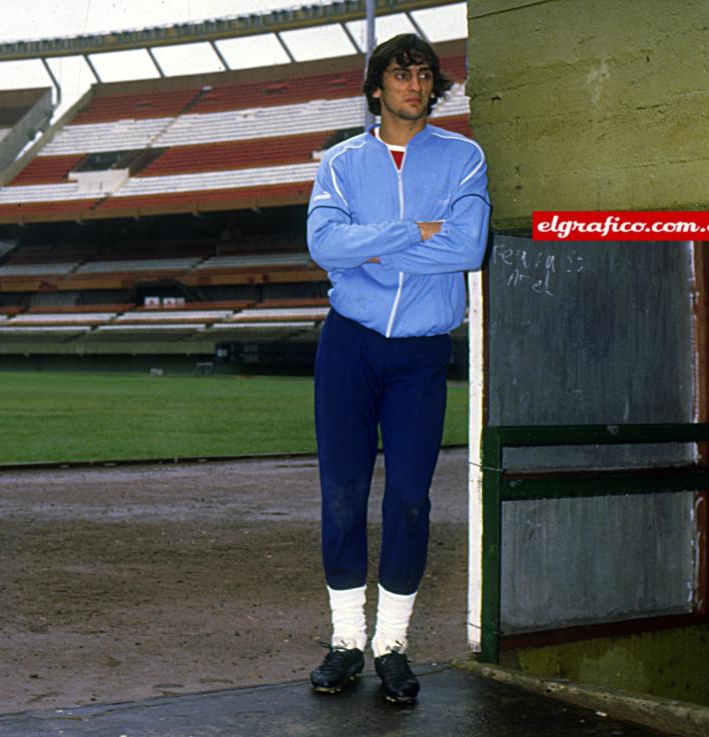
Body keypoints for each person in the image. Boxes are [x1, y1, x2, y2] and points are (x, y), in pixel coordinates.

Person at [305, 33, 490, 704]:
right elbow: (324, 244)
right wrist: (416, 232)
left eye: (424, 74)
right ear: (376, 87)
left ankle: (392, 646)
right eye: (400, 72)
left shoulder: (464, 158)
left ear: (434, 87)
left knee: (410, 499)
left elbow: (469, 245)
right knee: (343, 495)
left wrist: (373, 249)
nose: (414, 83)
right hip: (349, 345)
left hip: (419, 353)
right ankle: (347, 639)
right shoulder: (340, 162)